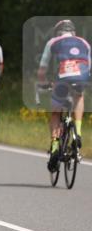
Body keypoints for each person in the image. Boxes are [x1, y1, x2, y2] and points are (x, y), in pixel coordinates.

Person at [38, 19, 90, 171]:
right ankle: (78, 134)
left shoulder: (52, 42)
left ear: (57, 31)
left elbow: (42, 71)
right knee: (79, 96)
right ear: (73, 32)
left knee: (55, 114)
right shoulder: (84, 42)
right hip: (82, 76)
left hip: (63, 78)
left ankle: (54, 147)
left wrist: (44, 84)